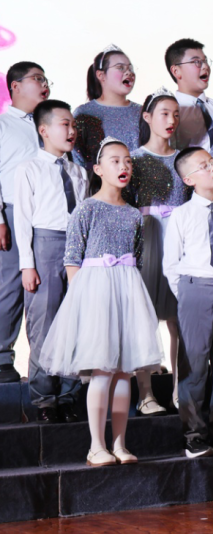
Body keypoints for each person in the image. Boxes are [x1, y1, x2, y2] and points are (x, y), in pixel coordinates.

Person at [38, 138, 163, 467]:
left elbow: (136, 259)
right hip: (95, 294)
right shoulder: (87, 208)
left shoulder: (134, 214)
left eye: (127, 161)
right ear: (98, 169)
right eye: (115, 161)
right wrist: (83, 305)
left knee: (124, 372)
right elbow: (72, 259)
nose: (124, 166)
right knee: (102, 370)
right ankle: (96, 446)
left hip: (126, 291)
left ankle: (120, 444)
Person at [163, 147, 213, 458]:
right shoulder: (181, 215)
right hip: (195, 289)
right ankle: (194, 435)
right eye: (203, 166)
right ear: (188, 179)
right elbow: (171, 264)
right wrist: (188, 295)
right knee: (194, 365)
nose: (212, 168)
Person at [15, 100, 89, 423]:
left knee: (74, 324)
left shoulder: (79, 171)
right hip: (45, 245)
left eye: (73, 125)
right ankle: (45, 399)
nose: (72, 131)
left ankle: (70, 395)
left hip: (77, 249)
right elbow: (22, 220)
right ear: (44, 130)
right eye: (64, 124)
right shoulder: (29, 168)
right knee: (43, 325)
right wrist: (27, 264)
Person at [130, 87, 182, 415]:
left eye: (176, 114)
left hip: (180, 238)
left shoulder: (184, 159)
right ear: (147, 117)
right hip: (148, 236)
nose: (171, 120)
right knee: (144, 314)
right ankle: (145, 392)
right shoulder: (133, 159)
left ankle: (179, 390)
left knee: (180, 318)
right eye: (164, 113)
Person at [0, 60, 51, 384]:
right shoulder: (3, 125)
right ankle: (2, 358)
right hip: (11, 210)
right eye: (37, 79)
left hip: (46, 216)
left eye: (46, 80)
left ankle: (45, 363)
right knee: (9, 286)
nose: (45, 85)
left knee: (44, 288)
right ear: (15, 86)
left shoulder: (49, 124)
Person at [73, 45, 141, 172]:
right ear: (101, 75)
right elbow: (77, 160)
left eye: (130, 68)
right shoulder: (85, 113)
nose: (129, 73)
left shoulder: (142, 112)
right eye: (120, 68)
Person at [165, 39, 213, 150]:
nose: (205, 66)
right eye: (196, 62)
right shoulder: (166, 115)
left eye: (205, 61)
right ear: (176, 71)